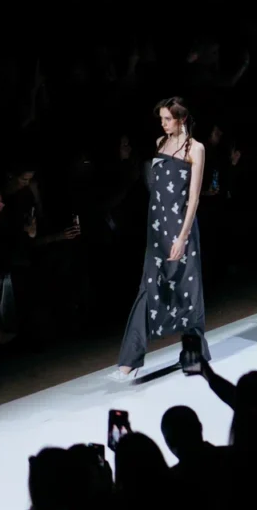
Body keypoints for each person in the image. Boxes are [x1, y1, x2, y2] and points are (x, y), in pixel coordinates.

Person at [110, 97, 209, 381]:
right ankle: (130, 359)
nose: (163, 124)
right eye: (161, 119)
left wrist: (183, 236)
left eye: (168, 119)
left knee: (188, 289)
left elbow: (194, 198)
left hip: (181, 228)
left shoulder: (196, 148)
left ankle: (194, 352)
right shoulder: (159, 143)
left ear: (181, 119)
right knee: (149, 287)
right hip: (156, 229)